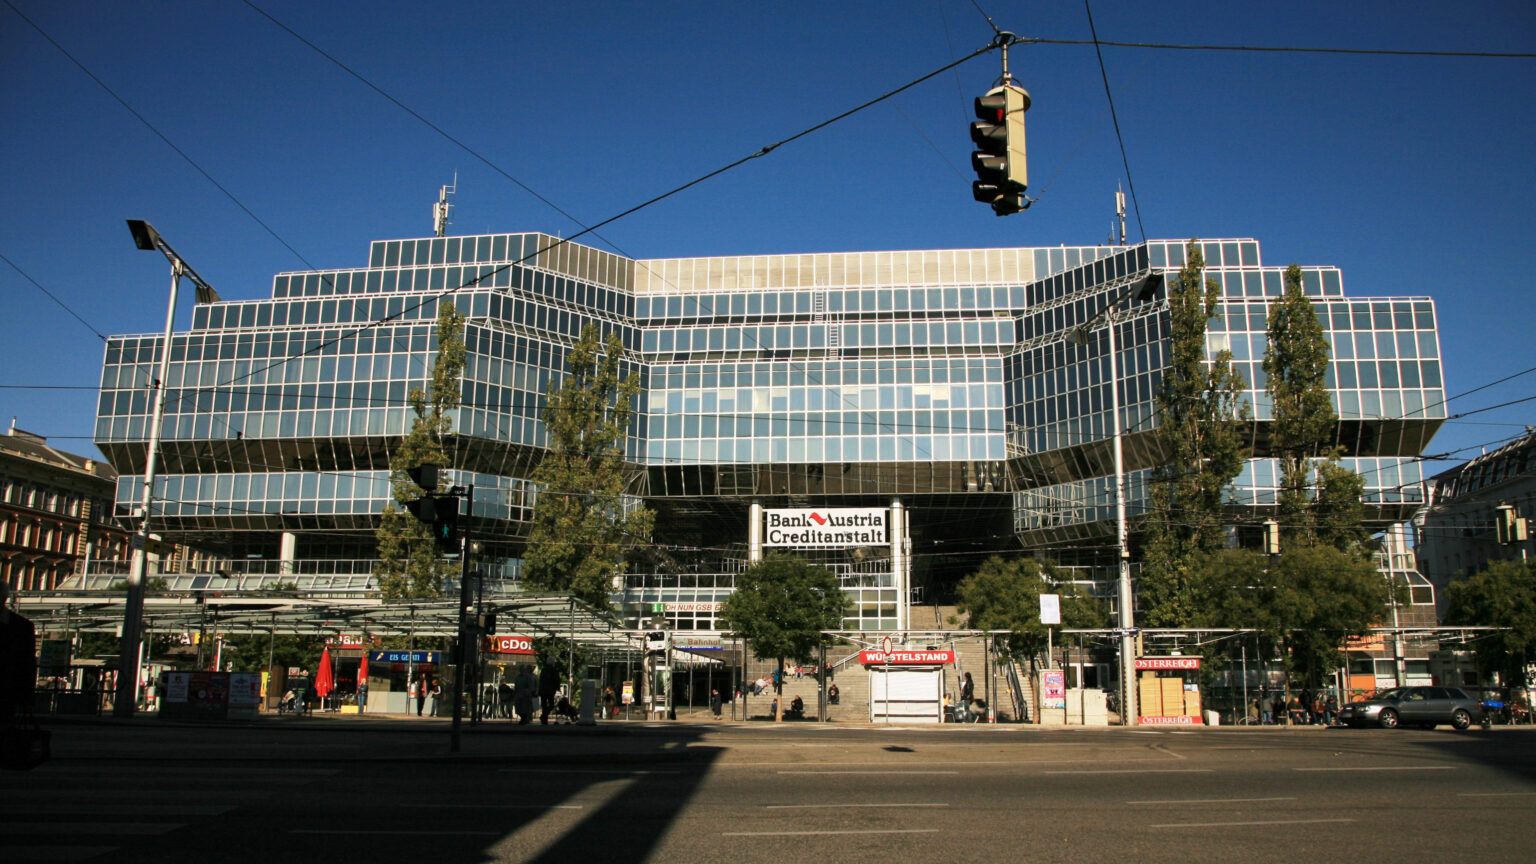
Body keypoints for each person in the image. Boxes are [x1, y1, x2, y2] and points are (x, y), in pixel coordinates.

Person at [538, 659, 561, 725]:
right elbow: (556, 679)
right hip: (550, 690)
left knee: (544, 705)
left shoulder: (543, 670)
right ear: (552, 663)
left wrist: (539, 689)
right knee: (551, 705)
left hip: (543, 690)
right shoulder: (554, 670)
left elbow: (541, 680)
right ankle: (544, 716)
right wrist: (558, 687)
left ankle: (544, 720)